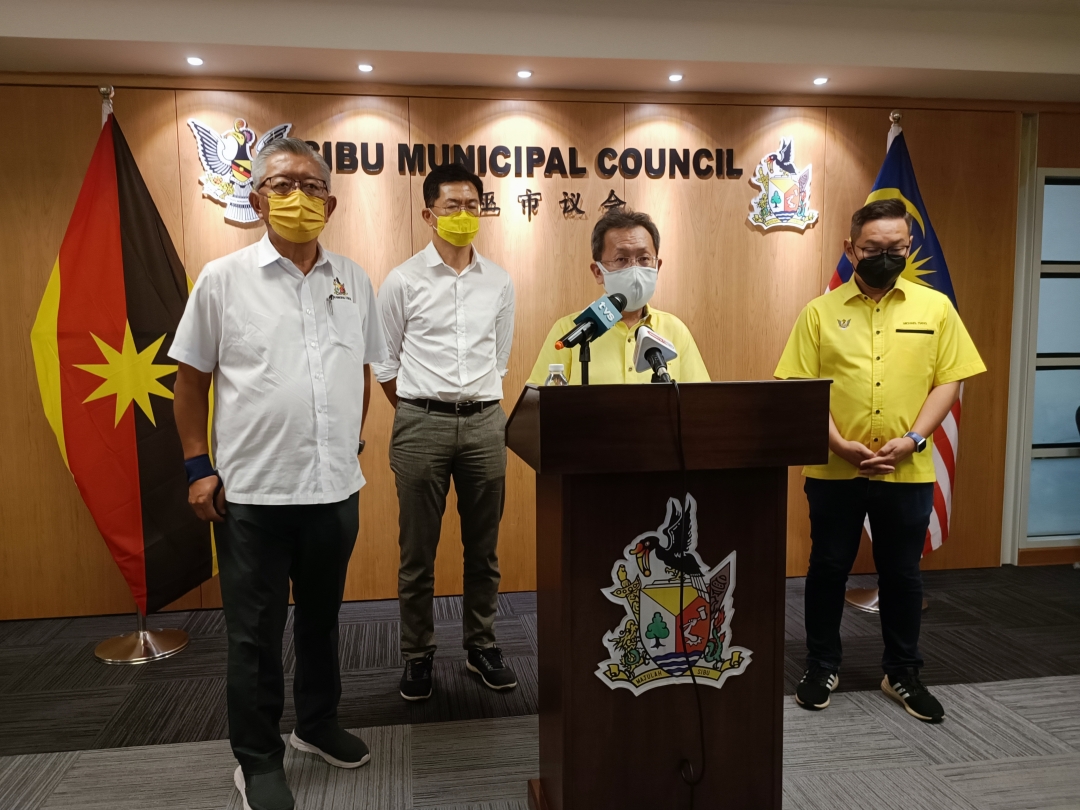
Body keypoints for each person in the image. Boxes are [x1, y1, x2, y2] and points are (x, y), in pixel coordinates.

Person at [170, 138, 386, 810]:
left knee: (321, 622)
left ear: (332, 200)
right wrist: (197, 466)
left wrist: (348, 439)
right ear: (258, 198)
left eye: (312, 186)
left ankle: (317, 725)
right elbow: (190, 380)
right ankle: (259, 758)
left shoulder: (353, 278)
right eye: (283, 184)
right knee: (253, 635)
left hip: (333, 493)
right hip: (253, 499)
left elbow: (363, 369)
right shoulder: (223, 278)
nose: (299, 197)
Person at [774, 198, 985, 724]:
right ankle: (822, 664)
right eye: (873, 249)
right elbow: (801, 386)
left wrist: (915, 439)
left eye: (896, 248)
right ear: (850, 249)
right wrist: (839, 445)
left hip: (906, 468)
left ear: (909, 247)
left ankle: (903, 672)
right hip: (834, 467)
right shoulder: (819, 312)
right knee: (827, 568)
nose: (885, 257)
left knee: (901, 574)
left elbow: (950, 378)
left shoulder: (934, 307)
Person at [373, 163, 517, 701]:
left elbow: (499, 359)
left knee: (484, 551)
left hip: (485, 423)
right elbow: (385, 364)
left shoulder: (500, 280)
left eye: (472, 205)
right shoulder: (403, 280)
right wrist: (421, 409)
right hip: (420, 424)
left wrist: (469, 406)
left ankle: (481, 646)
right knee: (418, 553)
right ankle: (417, 655)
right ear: (428, 214)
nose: (464, 215)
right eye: (452, 207)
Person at [527, 208, 710, 385]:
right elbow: (537, 406)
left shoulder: (676, 331)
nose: (634, 269)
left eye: (644, 258)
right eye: (621, 259)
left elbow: (701, 403)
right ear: (598, 271)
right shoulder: (570, 331)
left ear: (657, 267)